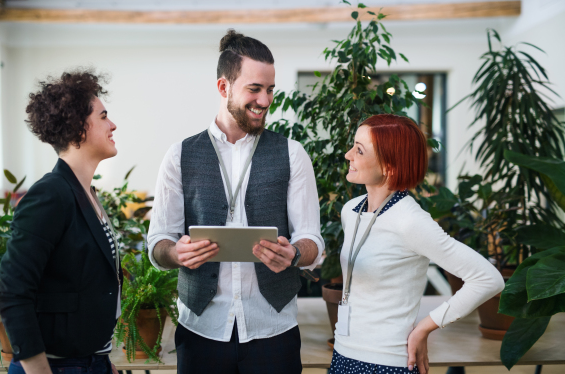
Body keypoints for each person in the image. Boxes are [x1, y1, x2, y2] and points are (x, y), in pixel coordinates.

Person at [147, 29, 324, 374]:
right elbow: (157, 243)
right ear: (223, 88)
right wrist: (175, 253)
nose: (266, 100)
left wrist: (296, 254)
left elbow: (313, 240)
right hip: (201, 330)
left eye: (270, 89)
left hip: (274, 329)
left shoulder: (292, 154)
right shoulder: (179, 155)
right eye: (254, 89)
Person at [330, 114, 505, 374]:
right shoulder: (350, 210)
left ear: (389, 166)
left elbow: (488, 278)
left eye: (359, 150)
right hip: (343, 353)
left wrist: (425, 327)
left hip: (387, 362)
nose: (347, 155)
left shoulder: (410, 221)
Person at [0, 70, 121, 374]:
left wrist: (103, 360)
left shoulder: (86, 193)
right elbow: (12, 292)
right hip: (57, 367)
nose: (113, 124)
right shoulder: (50, 195)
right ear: (79, 128)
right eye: (103, 116)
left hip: (90, 362)